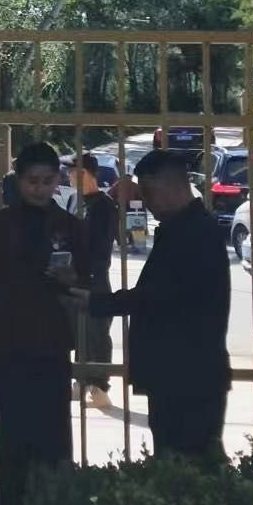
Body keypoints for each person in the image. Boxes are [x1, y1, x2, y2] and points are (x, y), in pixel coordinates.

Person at [0, 141, 88, 505]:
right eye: (32, 181)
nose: (39, 189)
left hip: (52, 345)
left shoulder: (69, 225)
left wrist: (73, 277)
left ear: (58, 181)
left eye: (46, 181)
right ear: (19, 181)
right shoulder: (3, 223)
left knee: (53, 442)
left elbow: (87, 280)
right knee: (13, 443)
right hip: (10, 347)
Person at [91, 148, 231, 460]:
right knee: (178, 461)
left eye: (148, 192)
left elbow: (158, 296)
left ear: (169, 187)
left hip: (189, 376)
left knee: (188, 464)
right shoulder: (183, 228)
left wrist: (97, 303)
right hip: (177, 375)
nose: (145, 202)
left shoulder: (195, 233)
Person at [75, 154, 120, 409]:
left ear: (86, 174)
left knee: (98, 333)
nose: (70, 177)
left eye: (74, 172)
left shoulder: (104, 206)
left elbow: (101, 247)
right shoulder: (79, 203)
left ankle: (100, 388)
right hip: (78, 279)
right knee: (82, 333)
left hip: (96, 280)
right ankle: (81, 383)